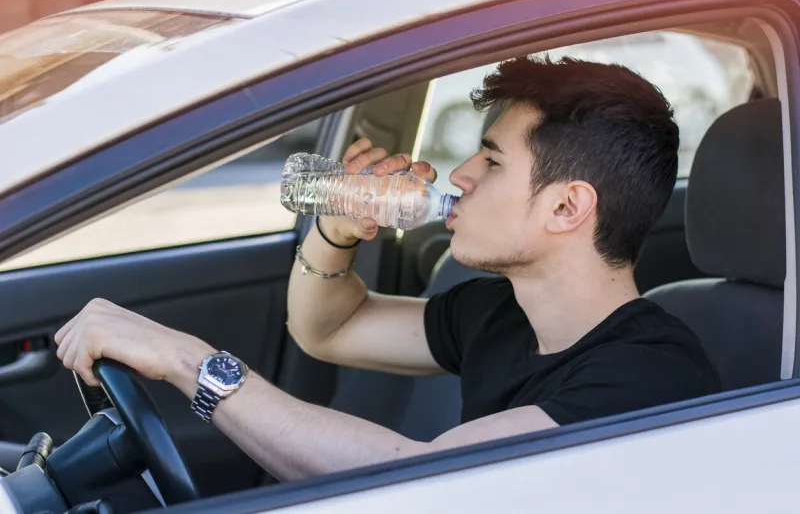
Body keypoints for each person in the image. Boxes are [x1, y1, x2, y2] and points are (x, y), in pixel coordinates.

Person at [54, 56, 720, 482]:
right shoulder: (498, 310)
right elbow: (330, 329)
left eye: (489, 161)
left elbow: (424, 479)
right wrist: (337, 230)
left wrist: (185, 360)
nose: (458, 175)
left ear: (568, 205)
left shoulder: (651, 374)